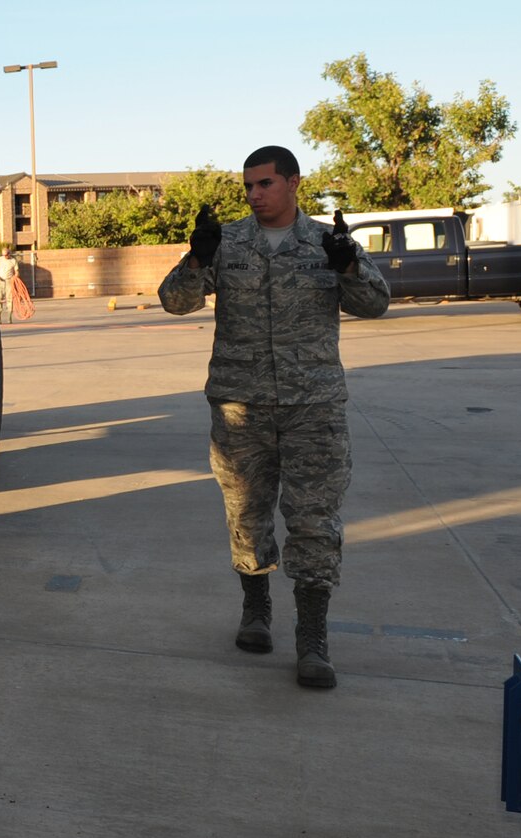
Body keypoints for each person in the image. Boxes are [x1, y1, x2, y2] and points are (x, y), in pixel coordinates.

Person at [157, 145, 388, 689]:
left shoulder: (327, 242)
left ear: (293, 182)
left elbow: (375, 303)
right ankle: (256, 609)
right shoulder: (227, 242)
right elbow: (174, 302)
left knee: (314, 521)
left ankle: (312, 638)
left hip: (314, 408)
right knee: (247, 513)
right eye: (248, 186)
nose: (255, 195)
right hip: (242, 407)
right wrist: (196, 259)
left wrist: (349, 265)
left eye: (265, 184)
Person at [0, 247, 20, 323]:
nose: (5, 256)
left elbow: (17, 271)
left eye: (6, 255)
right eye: (4, 255)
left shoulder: (13, 261)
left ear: (9, 253)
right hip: (0, 281)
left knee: (9, 299)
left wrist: (15, 277)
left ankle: (9, 318)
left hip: (9, 281)